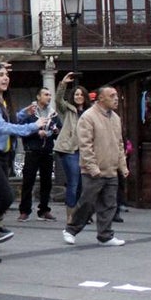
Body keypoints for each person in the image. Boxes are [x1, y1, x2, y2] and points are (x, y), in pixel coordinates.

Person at [0, 62, 49, 262]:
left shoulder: (1, 101)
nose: (5, 78)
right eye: (0, 75)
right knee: (5, 197)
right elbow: (2, 127)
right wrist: (33, 125)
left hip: (0, 156)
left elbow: (9, 120)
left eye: (6, 75)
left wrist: (24, 114)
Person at [62, 86, 129, 246]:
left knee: (109, 204)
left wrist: (123, 166)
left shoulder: (116, 118)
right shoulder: (88, 117)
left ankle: (105, 235)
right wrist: (92, 167)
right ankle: (71, 230)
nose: (116, 98)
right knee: (87, 203)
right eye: (111, 96)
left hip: (111, 169)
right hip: (93, 171)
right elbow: (85, 145)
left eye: (116, 95)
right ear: (100, 99)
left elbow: (119, 144)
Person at [16, 86, 60, 222]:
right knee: (28, 181)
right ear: (38, 97)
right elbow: (21, 128)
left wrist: (55, 131)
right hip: (32, 150)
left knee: (47, 182)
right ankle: (24, 210)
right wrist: (36, 132)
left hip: (47, 150)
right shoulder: (30, 112)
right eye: (46, 94)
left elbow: (59, 127)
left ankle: (44, 210)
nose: (49, 97)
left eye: (50, 95)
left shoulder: (53, 113)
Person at [54, 73, 89, 224]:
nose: (78, 96)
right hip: (69, 150)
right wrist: (63, 83)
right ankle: (70, 215)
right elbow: (58, 100)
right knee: (73, 182)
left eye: (81, 94)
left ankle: (80, 214)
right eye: (76, 94)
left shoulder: (90, 112)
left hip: (85, 150)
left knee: (83, 183)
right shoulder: (67, 109)